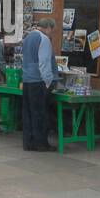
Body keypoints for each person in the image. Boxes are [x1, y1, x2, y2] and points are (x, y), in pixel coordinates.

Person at [20, 18, 57, 151]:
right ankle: (40, 144)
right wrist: (48, 81)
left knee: (28, 113)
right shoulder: (44, 39)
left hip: (27, 80)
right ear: (48, 27)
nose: (52, 33)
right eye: (52, 30)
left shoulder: (28, 37)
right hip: (38, 81)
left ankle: (28, 143)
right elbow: (44, 62)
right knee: (40, 114)